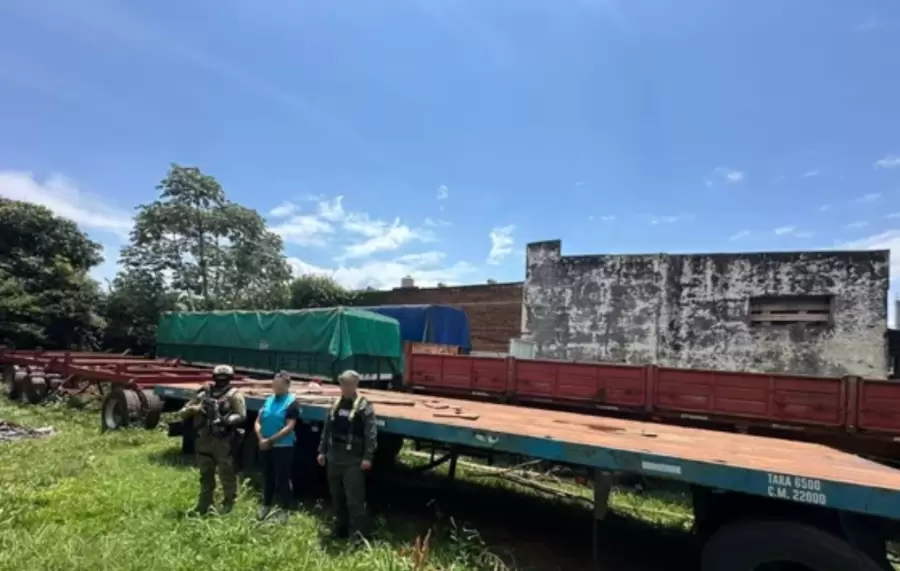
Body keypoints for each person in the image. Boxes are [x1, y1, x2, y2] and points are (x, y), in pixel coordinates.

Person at [317, 369, 378, 539]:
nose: (344, 387)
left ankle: (358, 534)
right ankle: (339, 530)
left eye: (348, 384)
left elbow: (370, 433)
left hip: (353, 461)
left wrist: (368, 456)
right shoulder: (336, 404)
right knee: (337, 498)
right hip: (334, 458)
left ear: (355, 385)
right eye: (342, 383)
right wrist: (322, 451)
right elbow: (326, 430)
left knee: (354, 500)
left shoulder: (364, 406)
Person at [179, 364, 247, 516]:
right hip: (203, 438)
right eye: (219, 378)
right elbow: (183, 412)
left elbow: (241, 415)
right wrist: (196, 409)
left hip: (223, 440)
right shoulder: (204, 393)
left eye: (225, 378)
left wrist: (224, 420)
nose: (221, 381)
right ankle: (204, 505)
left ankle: (229, 504)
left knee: (227, 474)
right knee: (205, 475)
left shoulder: (234, 394)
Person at [254, 371, 300, 522]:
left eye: (279, 385)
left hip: (283, 447)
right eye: (274, 384)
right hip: (265, 445)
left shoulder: (291, 403)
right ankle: (266, 506)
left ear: (287, 385)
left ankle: (284, 510)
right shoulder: (268, 400)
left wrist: (271, 441)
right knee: (267, 477)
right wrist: (261, 438)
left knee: (282, 479)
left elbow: (289, 427)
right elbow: (258, 421)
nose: (276, 387)